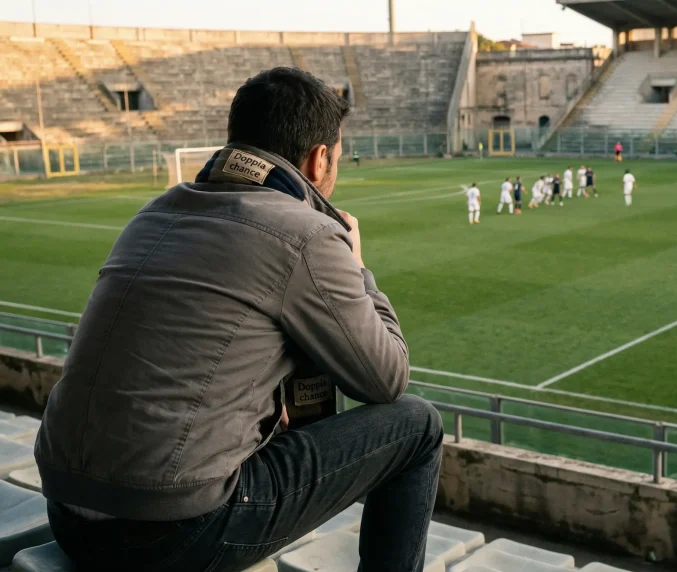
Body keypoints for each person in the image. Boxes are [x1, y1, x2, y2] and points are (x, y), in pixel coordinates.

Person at [35, 67, 442, 572]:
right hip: (168, 532)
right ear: (319, 160)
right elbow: (387, 378)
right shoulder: (307, 234)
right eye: (337, 160)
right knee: (418, 424)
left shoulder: (153, 211)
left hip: (66, 511)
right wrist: (358, 267)